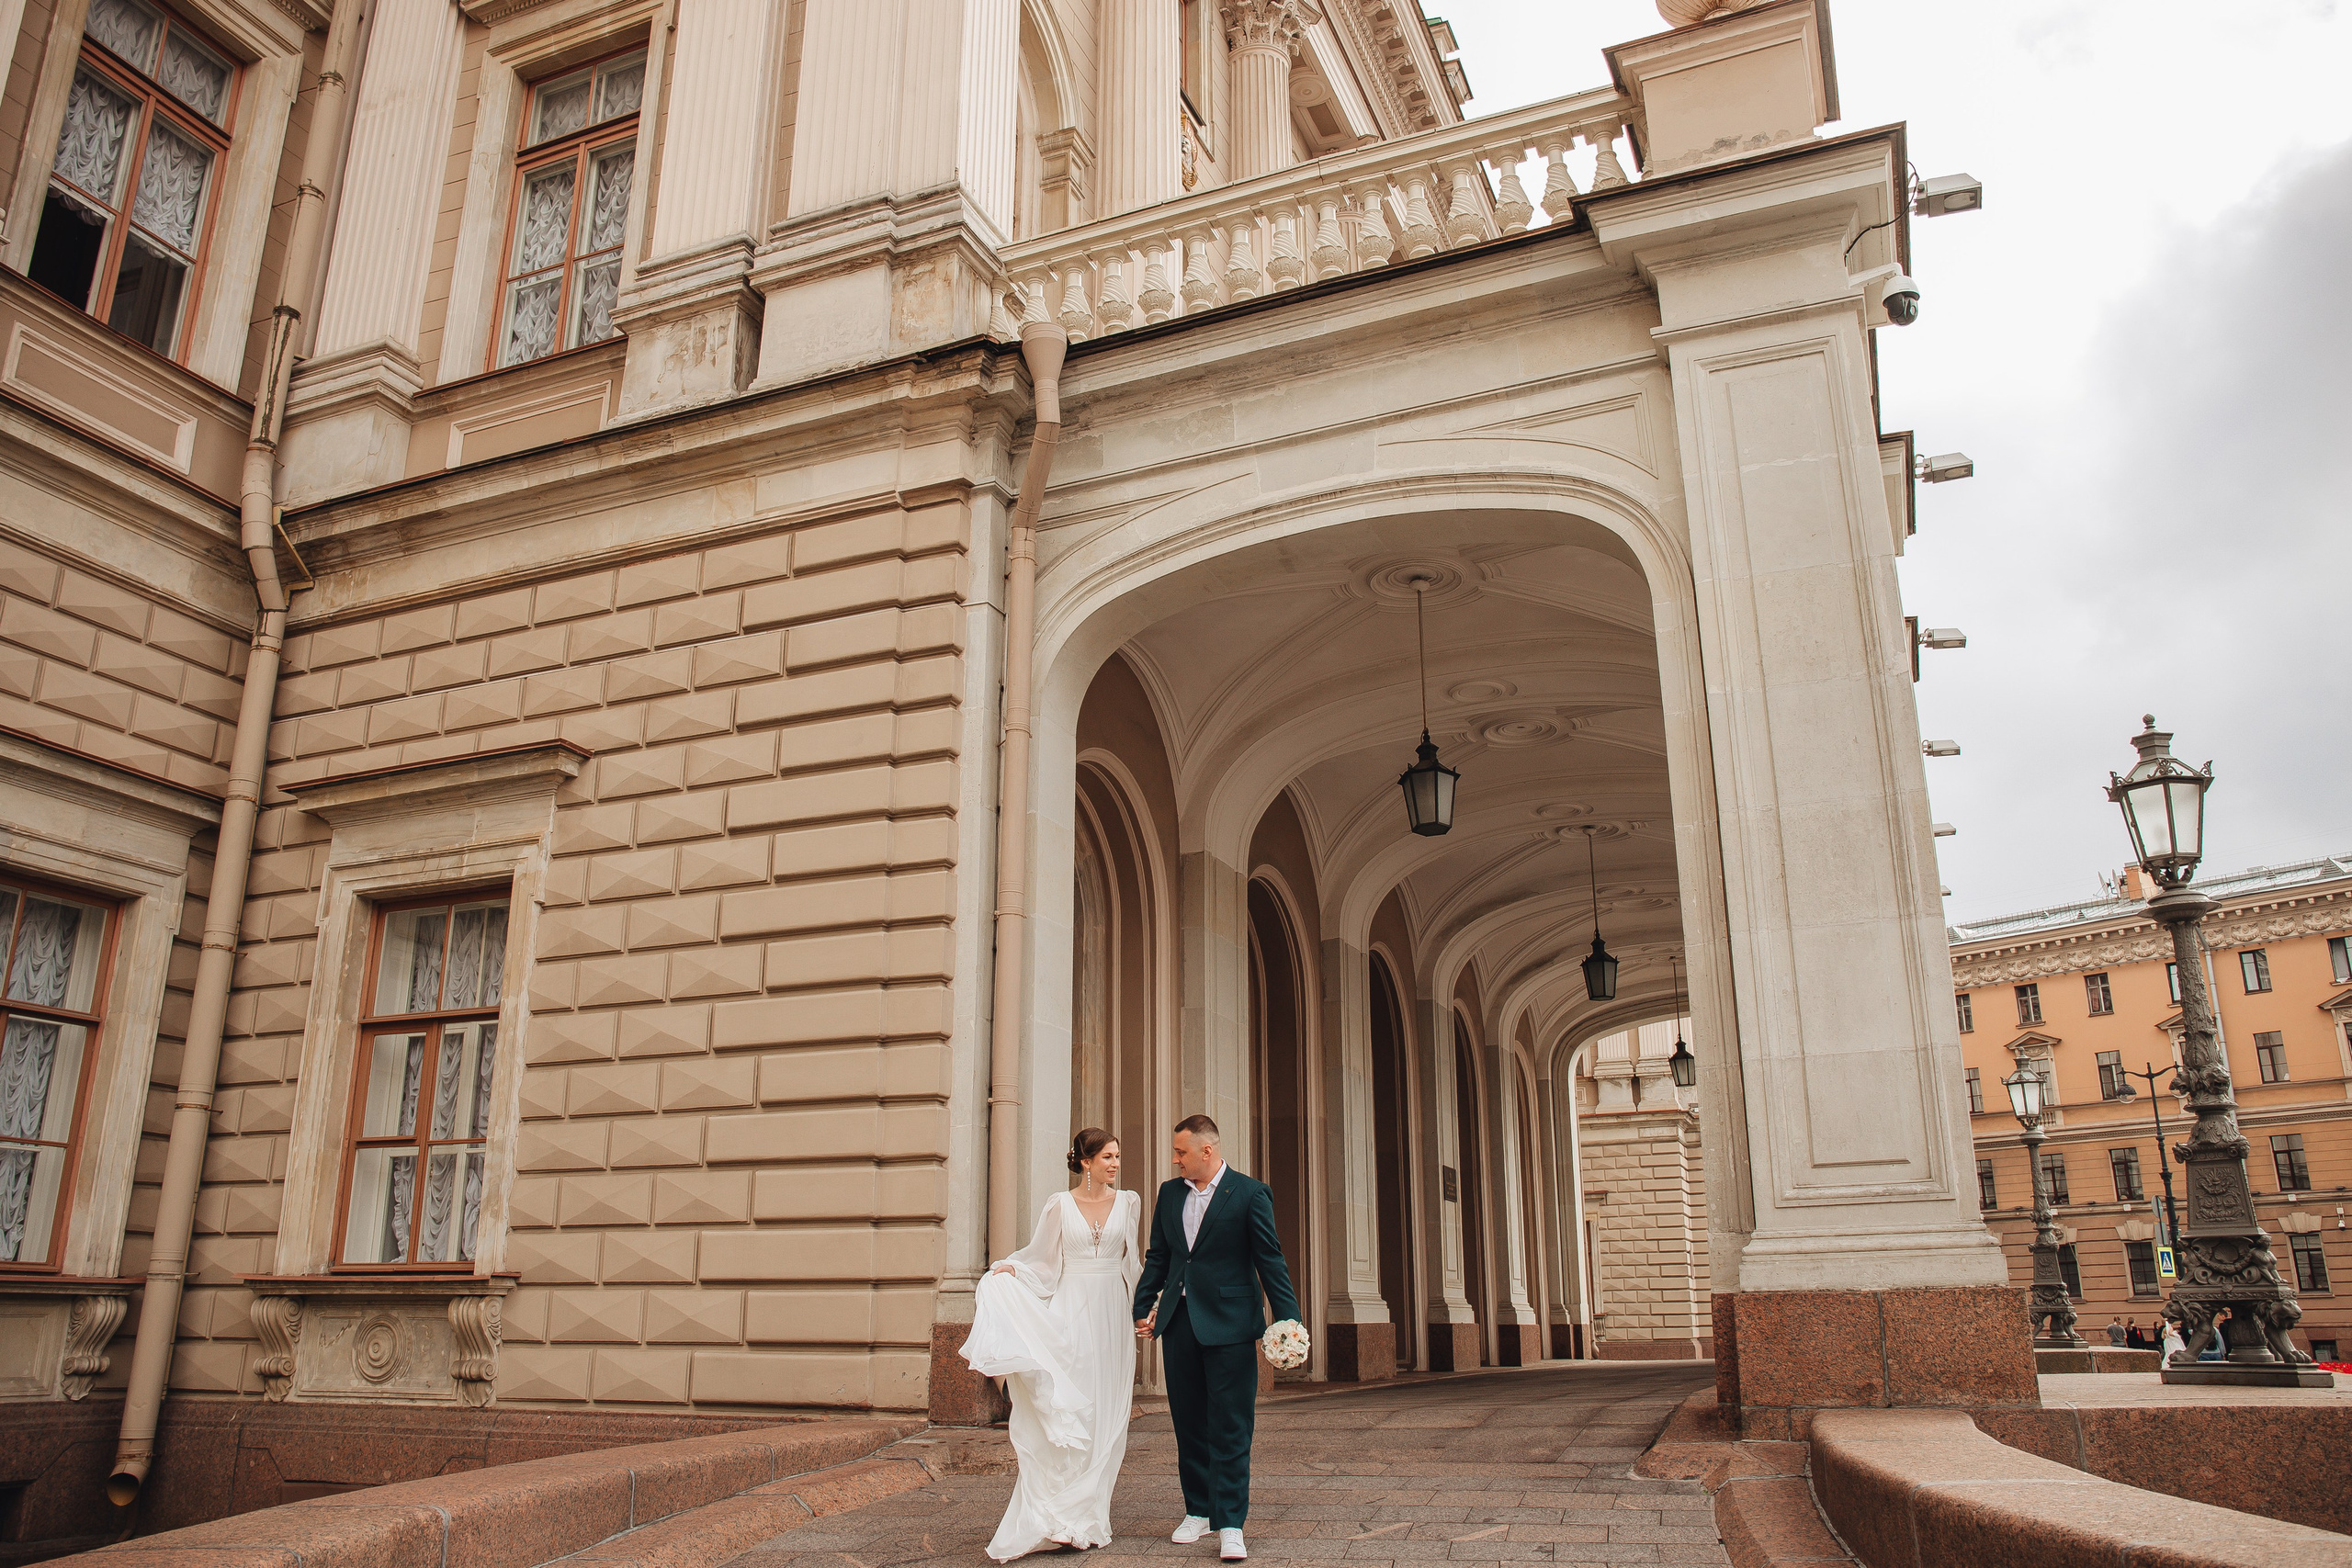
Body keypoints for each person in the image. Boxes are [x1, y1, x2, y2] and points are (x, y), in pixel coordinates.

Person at [962, 1128, 1142, 1561]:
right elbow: (1042, 1262)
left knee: (1109, 1414)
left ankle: (1089, 1515)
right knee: (1074, 1408)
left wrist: (1147, 1309)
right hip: (1071, 1312)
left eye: (1118, 1156)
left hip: (1113, 1316)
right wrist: (1012, 1272)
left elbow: (1133, 1262)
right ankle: (1059, 1517)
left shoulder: (1130, 1202)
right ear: (1085, 1162)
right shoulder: (1059, 1205)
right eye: (1107, 1158)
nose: (1115, 1164)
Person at [1133, 1114, 1300, 1563]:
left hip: (1230, 1324)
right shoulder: (1170, 1194)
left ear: (1207, 1151)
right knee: (1188, 1423)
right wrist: (1142, 1307)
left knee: (1230, 1426)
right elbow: (1159, 1256)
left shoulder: (1249, 1193)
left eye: (1181, 1152)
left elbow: (1271, 1260)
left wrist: (1289, 1322)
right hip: (1180, 1322)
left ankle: (1231, 1524)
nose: (1175, 1159)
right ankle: (1198, 1511)